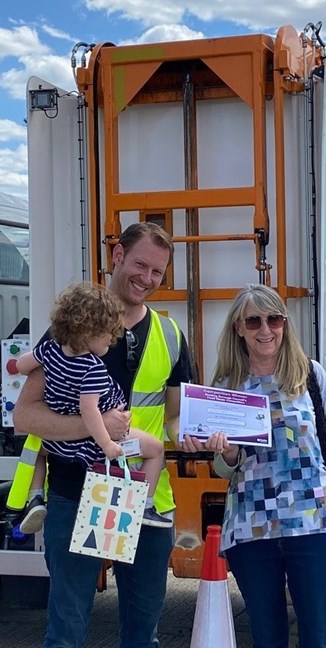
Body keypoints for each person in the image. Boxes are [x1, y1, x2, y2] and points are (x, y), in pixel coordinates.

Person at [14, 222, 194, 648]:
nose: (147, 279)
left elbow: (172, 420)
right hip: (75, 492)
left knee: (142, 637)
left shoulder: (171, 335)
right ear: (116, 256)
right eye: (140, 264)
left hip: (145, 499)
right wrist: (94, 428)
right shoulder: (72, 329)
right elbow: (24, 415)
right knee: (66, 634)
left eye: (157, 272)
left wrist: (196, 435)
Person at [183, 284, 326, 648]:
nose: (265, 329)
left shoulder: (309, 375)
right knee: (267, 638)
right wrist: (228, 453)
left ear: (285, 323)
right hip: (253, 529)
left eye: (274, 319)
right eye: (254, 320)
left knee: (321, 637)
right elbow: (225, 468)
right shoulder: (226, 386)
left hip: (316, 522)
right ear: (239, 327)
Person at [15, 282, 174, 531]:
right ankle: (146, 506)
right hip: (100, 439)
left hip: (59, 441)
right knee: (155, 449)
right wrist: (107, 442)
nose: (112, 341)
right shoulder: (93, 369)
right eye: (109, 334)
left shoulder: (50, 348)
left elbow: (23, 365)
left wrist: (21, 367)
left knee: (37, 448)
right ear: (89, 331)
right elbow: (90, 410)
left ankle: (35, 497)